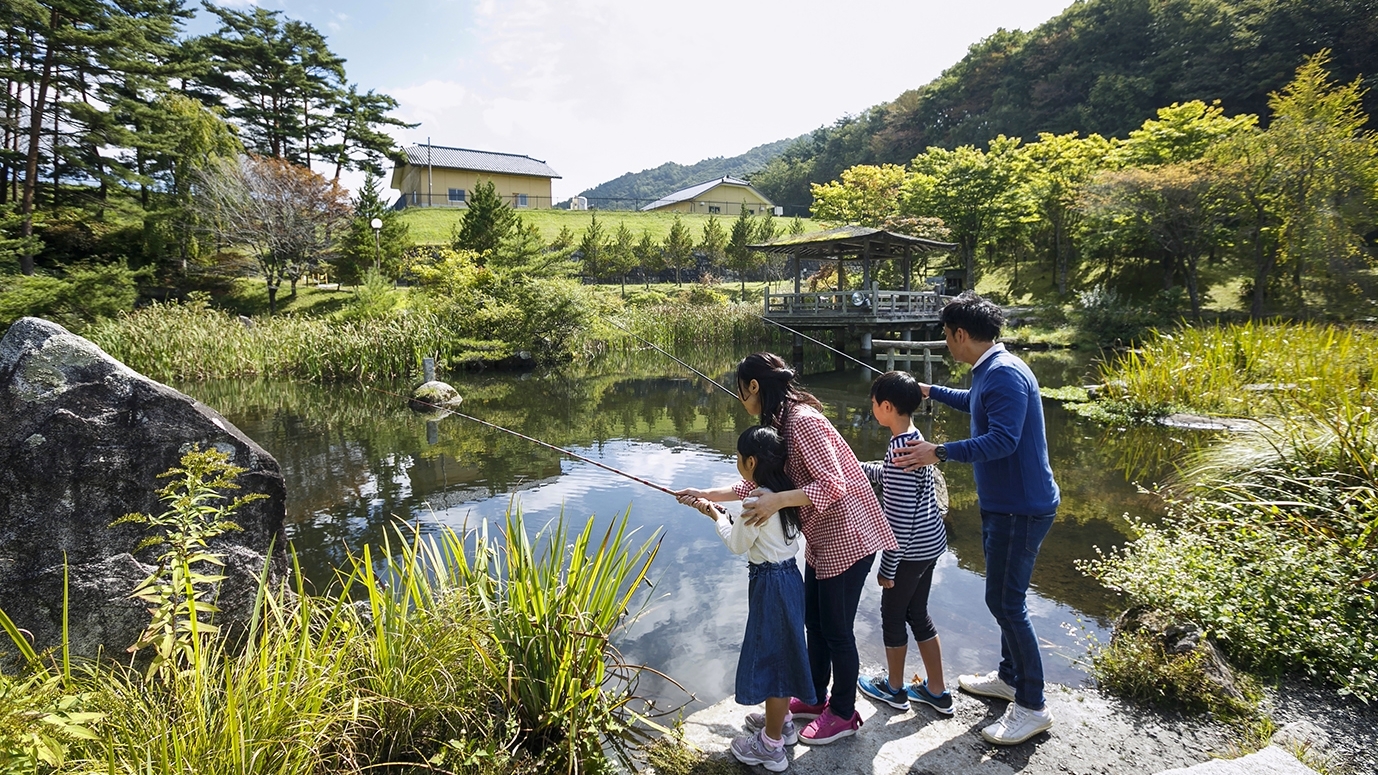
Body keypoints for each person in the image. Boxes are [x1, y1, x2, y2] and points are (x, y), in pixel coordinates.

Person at [679, 352, 896, 745]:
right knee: (814, 622)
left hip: (848, 535)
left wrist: (776, 502)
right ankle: (814, 697)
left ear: (755, 386)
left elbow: (834, 485)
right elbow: (764, 486)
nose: (741, 400)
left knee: (836, 632)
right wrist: (706, 495)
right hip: (820, 538)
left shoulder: (803, 421)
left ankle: (844, 713)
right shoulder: (780, 422)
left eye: (741, 392)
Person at [892, 292, 1060, 745]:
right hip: (1008, 504)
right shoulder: (993, 369)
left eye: (946, 336)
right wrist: (930, 392)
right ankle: (1010, 678)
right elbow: (975, 403)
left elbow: (1002, 440)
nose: (946, 343)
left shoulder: (1004, 375)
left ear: (960, 334)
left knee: (1006, 604)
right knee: (1006, 598)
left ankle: (1032, 705)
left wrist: (938, 452)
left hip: (1019, 507)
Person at [679, 425, 814, 772]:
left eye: (737, 458)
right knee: (782, 650)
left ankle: (770, 747)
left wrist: (714, 515)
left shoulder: (756, 502)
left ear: (750, 462)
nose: (737, 463)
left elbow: (736, 543)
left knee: (773, 656)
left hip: (770, 584)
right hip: (789, 577)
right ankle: (779, 725)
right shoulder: (782, 492)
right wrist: (719, 507)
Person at [854, 371, 953, 717]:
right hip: (932, 543)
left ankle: (894, 689)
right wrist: (860, 469)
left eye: (873, 404)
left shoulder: (898, 450)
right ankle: (936, 690)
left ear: (886, 406)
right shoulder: (912, 439)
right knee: (918, 613)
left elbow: (897, 519)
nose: (872, 409)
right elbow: (893, 475)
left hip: (909, 551)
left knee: (892, 616)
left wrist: (887, 567)